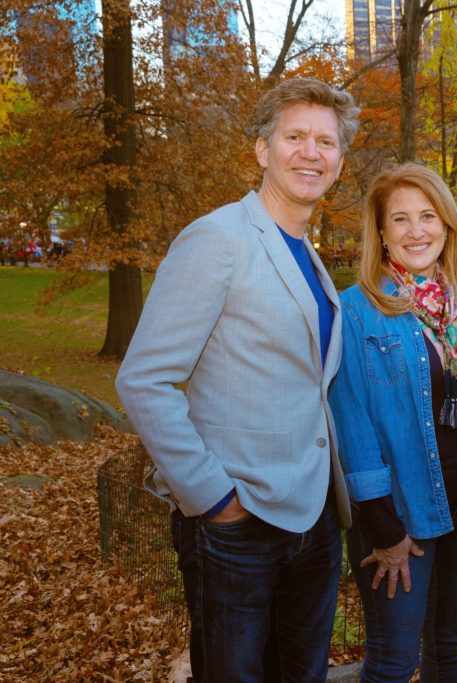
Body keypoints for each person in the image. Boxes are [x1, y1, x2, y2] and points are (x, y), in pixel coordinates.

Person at [115, 77, 359, 681]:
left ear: (339, 162)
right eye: (294, 136)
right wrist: (213, 499)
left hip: (314, 520)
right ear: (262, 150)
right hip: (239, 523)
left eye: (324, 142)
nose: (310, 152)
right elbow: (144, 379)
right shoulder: (218, 239)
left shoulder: (311, 258)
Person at [329, 163, 457, 683]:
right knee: (394, 664)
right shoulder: (356, 312)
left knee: (449, 649)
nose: (416, 230)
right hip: (400, 521)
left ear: (447, 225)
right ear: (381, 232)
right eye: (400, 219)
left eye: (428, 216)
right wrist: (383, 528)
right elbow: (350, 423)